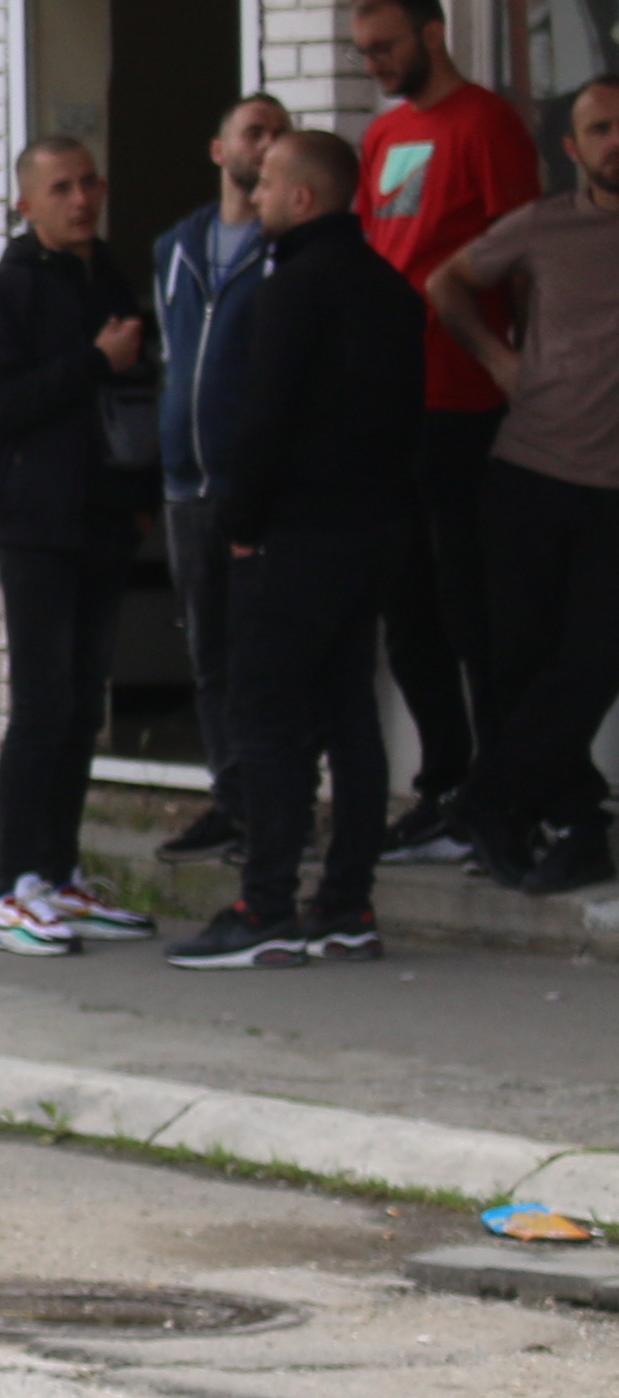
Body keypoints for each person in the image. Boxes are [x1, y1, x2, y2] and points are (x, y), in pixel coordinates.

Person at [173, 126, 425, 967]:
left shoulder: (293, 289)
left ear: (305, 199)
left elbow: (265, 419)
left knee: (269, 717)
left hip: (295, 541)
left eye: (272, 183)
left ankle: (266, 904)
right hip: (373, 536)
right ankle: (347, 902)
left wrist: (240, 526)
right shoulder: (390, 289)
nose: (260, 193)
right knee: (350, 712)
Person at [345, 0, 541, 856]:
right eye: (365, 52)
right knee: (407, 606)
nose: (378, 63)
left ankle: (503, 786)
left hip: (467, 398)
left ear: (433, 33)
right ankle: (444, 779)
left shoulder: (487, 123)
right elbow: (369, 247)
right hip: (390, 402)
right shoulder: (385, 134)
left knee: (474, 605)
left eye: (387, 46)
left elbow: (524, 256)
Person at [0, 137, 157, 956]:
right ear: (25, 204)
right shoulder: (3, 295)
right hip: (34, 523)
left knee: (84, 700)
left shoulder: (109, 278)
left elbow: (135, 392)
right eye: (61, 188)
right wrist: (92, 361)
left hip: (102, 517)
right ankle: (11, 890)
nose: (81, 200)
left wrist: (141, 495)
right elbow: (2, 404)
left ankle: (60, 872)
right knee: (42, 703)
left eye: (89, 184)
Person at [433, 70, 619, 894]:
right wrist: (501, 361)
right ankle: (577, 825)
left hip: (614, 495)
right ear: (575, 149)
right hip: (531, 476)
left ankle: (488, 800)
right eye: (601, 129)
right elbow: (445, 283)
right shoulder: (544, 227)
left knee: (591, 665)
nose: (617, 142)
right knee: (525, 666)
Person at [147, 92, 291, 863]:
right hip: (183, 486)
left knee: (262, 652)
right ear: (219, 150)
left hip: (255, 487)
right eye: (253, 132)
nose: (266, 145)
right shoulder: (177, 247)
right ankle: (230, 799)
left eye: (278, 135)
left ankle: (276, 809)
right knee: (207, 652)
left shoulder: (285, 251)